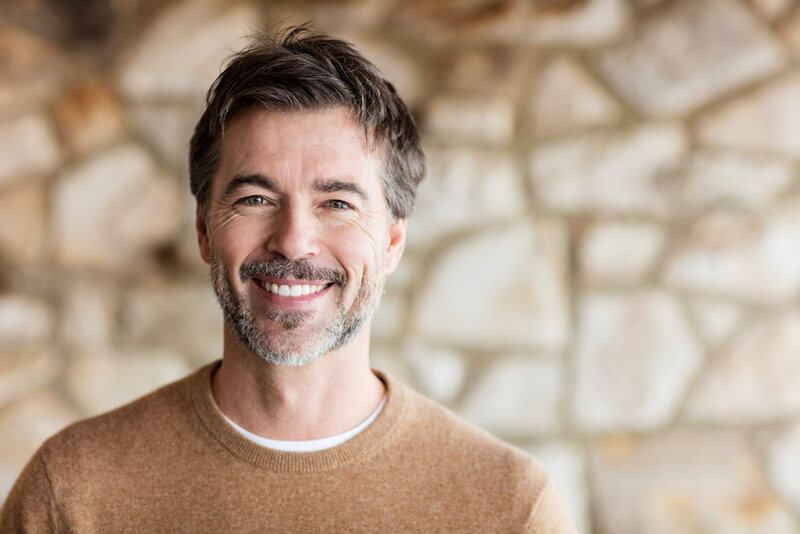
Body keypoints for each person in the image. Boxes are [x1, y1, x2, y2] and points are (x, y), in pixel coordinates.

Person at [0, 27, 578, 533]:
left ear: (394, 240)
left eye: (337, 203)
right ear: (204, 231)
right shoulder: (73, 492)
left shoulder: (509, 509)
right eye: (256, 197)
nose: (294, 240)